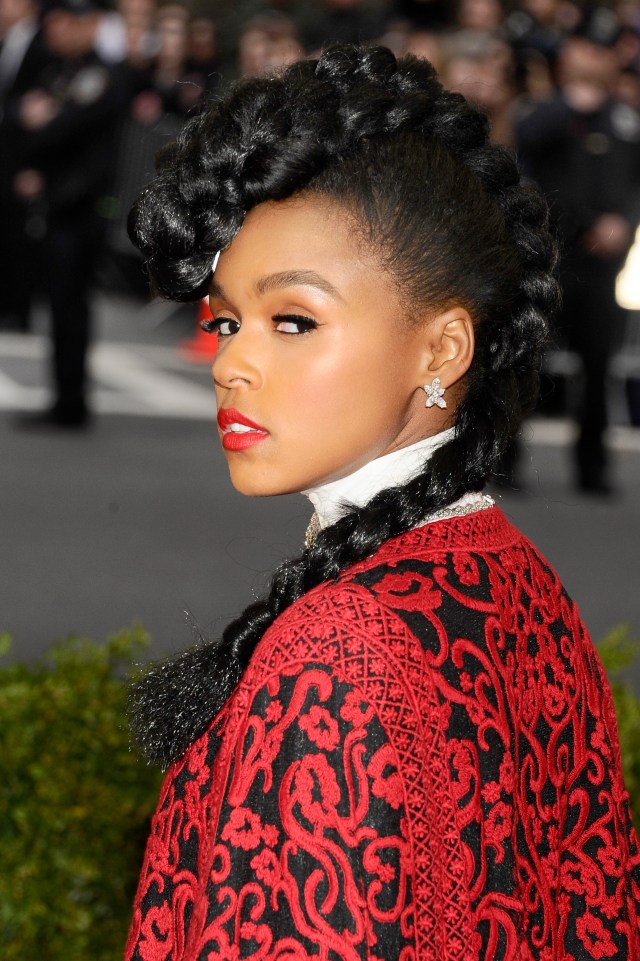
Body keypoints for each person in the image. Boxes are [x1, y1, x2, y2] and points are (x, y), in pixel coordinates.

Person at [124, 45, 640, 961]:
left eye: (293, 320)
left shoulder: (334, 657)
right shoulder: (516, 578)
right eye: (226, 320)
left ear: (442, 350)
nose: (233, 362)